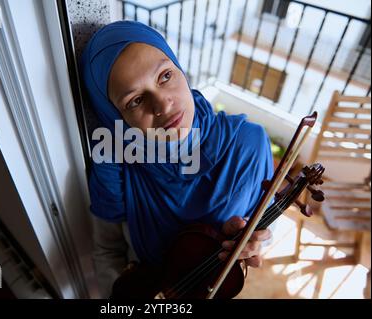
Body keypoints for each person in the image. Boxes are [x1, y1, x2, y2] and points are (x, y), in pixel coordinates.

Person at [80, 20, 274, 298]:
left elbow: (265, 223)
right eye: (135, 100)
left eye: (165, 76)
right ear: (116, 117)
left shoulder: (249, 143)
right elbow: (108, 251)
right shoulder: (114, 162)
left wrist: (256, 244)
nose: (162, 105)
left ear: (181, 70)